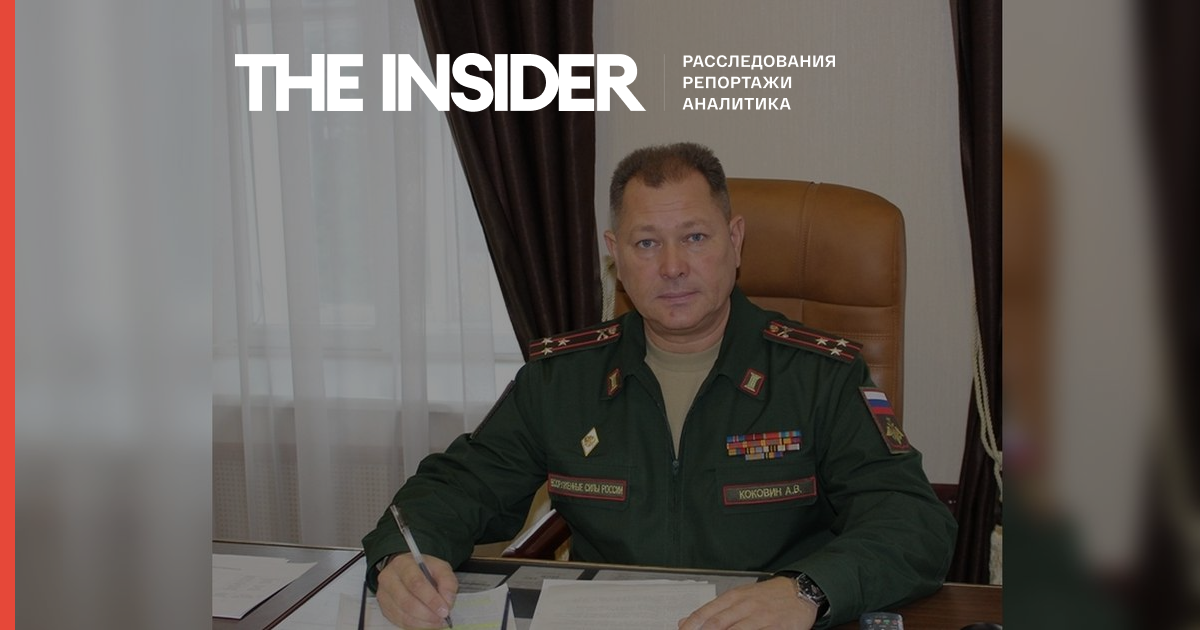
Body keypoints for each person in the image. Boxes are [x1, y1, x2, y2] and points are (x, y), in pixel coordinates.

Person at [363, 142, 956, 629]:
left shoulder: (821, 375)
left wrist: (807, 591)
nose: (672, 267)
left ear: (735, 240)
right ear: (615, 255)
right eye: (647, 243)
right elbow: (459, 486)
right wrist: (399, 560)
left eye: (695, 237)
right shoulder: (561, 379)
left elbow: (913, 521)